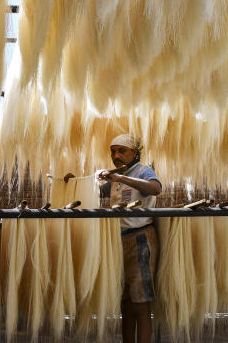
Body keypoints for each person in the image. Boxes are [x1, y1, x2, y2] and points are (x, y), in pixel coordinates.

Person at [68, 134, 161, 342]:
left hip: (140, 240)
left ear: (134, 153)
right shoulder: (115, 177)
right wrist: (75, 183)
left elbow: (156, 189)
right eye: (113, 151)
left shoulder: (142, 171)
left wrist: (121, 178)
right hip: (118, 242)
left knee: (141, 301)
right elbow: (93, 194)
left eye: (122, 151)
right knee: (126, 303)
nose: (116, 155)